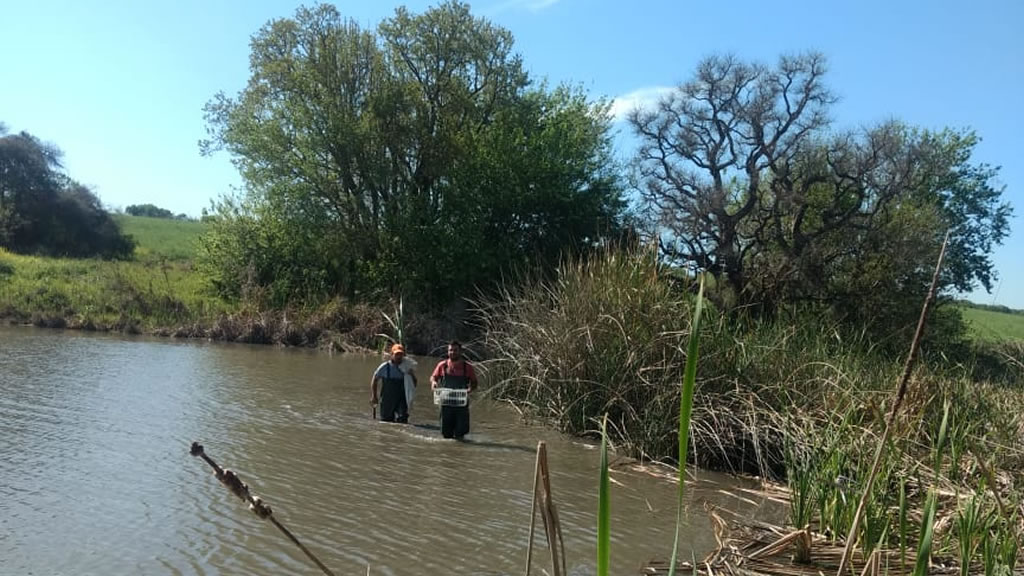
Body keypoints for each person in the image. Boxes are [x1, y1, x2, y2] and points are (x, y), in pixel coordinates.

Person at [430, 340, 477, 439]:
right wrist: (434, 383)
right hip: (446, 403)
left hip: (461, 404)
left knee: (460, 432)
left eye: (455, 350)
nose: (452, 352)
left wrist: (470, 390)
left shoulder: (467, 367)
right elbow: (434, 377)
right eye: (450, 350)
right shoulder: (442, 365)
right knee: (446, 433)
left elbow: (474, 382)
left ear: (460, 352)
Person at [371, 344, 417, 423]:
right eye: (397, 354)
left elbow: (414, 384)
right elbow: (374, 380)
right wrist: (374, 396)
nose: (399, 357)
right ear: (391, 354)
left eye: (401, 354)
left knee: (402, 420)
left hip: (401, 400)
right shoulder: (385, 367)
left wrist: (411, 375)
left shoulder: (406, 368)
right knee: (386, 422)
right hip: (387, 400)